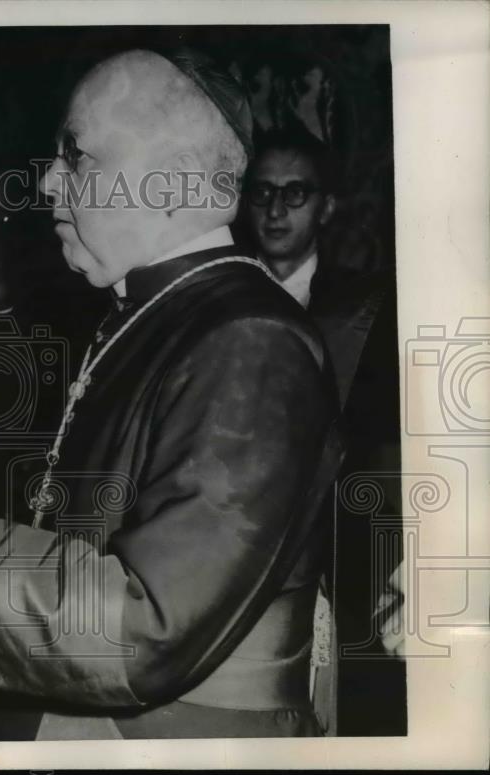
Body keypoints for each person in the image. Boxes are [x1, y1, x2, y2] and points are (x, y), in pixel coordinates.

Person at [0, 49, 345, 739]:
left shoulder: (250, 338)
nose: (46, 182)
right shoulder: (159, 314)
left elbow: (147, 624)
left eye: (76, 156)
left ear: (173, 185)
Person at [244, 129, 405, 735]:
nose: (277, 208)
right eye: (261, 192)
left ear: (327, 206)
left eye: (295, 192)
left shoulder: (370, 311)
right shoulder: (217, 300)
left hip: (341, 559)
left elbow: (388, 453)